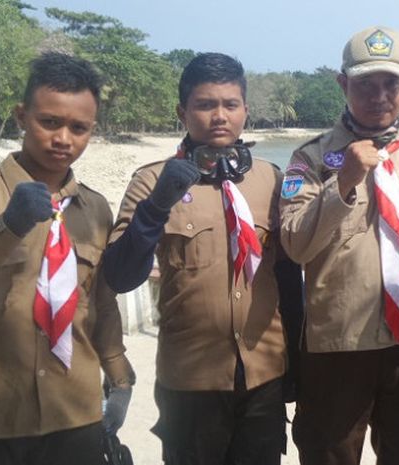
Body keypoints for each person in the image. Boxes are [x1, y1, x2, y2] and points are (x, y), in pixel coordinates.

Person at [102, 52, 302, 465]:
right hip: (190, 380)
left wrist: (297, 366)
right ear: (183, 112)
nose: (219, 116)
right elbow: (120, 276)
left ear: (246, 109)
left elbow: (287, 279)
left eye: (230, 104)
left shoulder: (272, 179)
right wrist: (157, 206)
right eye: (205, 104)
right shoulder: (150, 181)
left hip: (264, 374)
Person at [279, 25, 399, 465]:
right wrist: (342, 182)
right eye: (366, 83)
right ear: (343, 83)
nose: (380, 95)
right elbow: (293, 244)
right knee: (328, 454)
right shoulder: (311, 159)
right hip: (336, 344)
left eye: (391, 83)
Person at [0, 52, 135, 465]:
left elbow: (100, 303)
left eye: (79, 128)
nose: (63, 139)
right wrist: (6, 228)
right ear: (21, 116)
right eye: (49, 122)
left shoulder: (95, 210)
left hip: (74, 416)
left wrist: (120, 379)